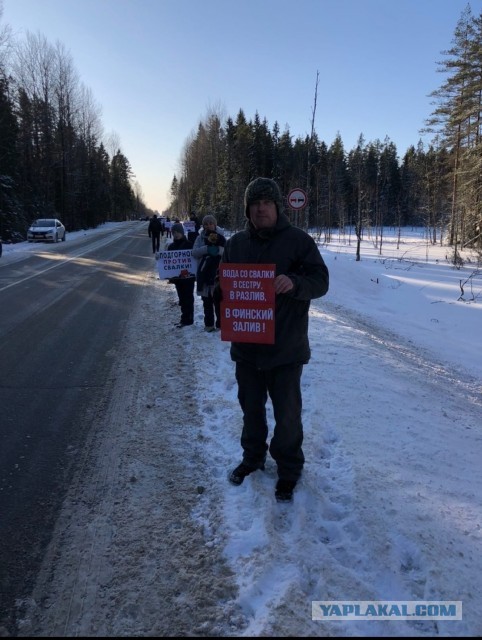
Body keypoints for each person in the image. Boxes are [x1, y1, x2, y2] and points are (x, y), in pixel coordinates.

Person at [217, 177, 329, 503]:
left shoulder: (298, 242)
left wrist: (293, 283)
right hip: (247, 349)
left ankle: (289, 469)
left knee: (287, 416)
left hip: (286, 349)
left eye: (266, 202)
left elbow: (320, 281)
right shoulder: (236, 244)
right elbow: (225, 286)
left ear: (277, 207)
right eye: (255, 203)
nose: (261, 208)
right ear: (248, 209)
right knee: (251, 411)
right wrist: (216, 290)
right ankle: (252, 459)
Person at [192, 215, 225, 332]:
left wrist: (218, 251)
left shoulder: (221, 236)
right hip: (204, 274)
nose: (208, 226)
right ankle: (209, 325)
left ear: (215, 224)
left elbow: (227, 251)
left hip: (218, 275)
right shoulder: (200, 238)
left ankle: (221, 325)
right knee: (207, 302)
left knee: (219, 301)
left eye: (211, 223)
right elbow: (194, 252)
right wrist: (206, 249)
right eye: (206, 224)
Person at [167, 223, 195, 328]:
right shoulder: (171, 247)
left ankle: (189, 319)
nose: (176, 234)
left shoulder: (189, 245)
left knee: (188, 298)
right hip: (178, 279)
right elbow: (167, 262)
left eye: (178, 232)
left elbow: (194, 259)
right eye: (174, 233)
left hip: (188, 277)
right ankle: (184, 318)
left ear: (182, 233)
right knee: (182, 299)